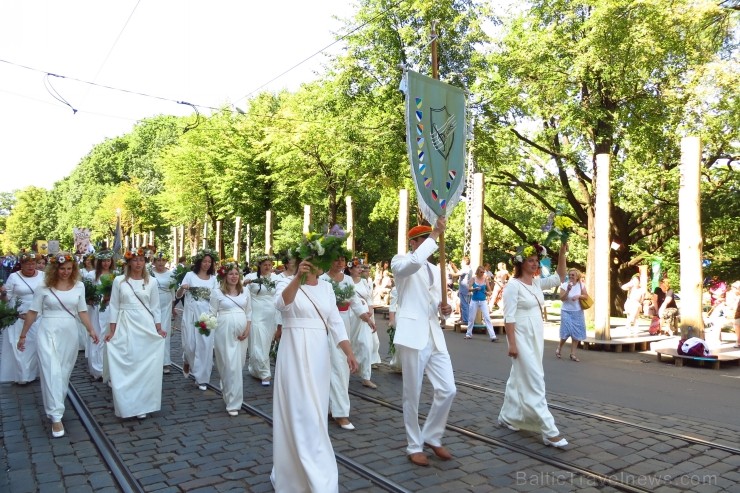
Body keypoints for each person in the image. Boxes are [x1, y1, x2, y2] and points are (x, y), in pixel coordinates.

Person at [270, 257, 358, 492]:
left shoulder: (328, 287)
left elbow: (335, 321)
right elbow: (281, 305)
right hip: (294, 350)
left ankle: (315, 469)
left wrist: (348, 351)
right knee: (299, 410)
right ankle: (293, 474)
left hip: (319, 353)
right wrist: (297, 277)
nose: (318, 265)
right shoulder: (286, 282)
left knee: (316, 411)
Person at [391, 217, 456, 467]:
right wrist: (434, 235)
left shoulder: (436, 269)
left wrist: (446, 310)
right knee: (412, 394)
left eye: (433, 238)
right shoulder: (401, 261)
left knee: (448, 388)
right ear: (415, 242)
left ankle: (432, 435)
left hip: (434, 335)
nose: (434, 243)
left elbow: (439, 306)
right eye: (427, 238)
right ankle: (413, 445)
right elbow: (415, 262)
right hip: (412, 333)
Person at [17, 252, 99, 438]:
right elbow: (33, 312)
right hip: (47, 331)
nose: (65, 272)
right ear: (55, 268)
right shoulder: (43, 287)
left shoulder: (79, 286)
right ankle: (56, 417)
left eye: (69, 269)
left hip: (69, 333)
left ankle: (55, 405)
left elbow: (83, 311)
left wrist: (91, 330)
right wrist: (22, 336)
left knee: (62, 373)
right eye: (62, 268)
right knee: (50, 371)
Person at [498, 241, 568, 448]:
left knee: (518, 377)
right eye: (530, 260)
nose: (535, 264)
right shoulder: (512, 286)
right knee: (535, 379)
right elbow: (508, 318)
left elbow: (559, 277)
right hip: (520, 334)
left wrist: (562, 253)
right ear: (521, 262)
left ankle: (507, 416)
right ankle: (549, 431)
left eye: (537, 261)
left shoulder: (536, 283)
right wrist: (512, 344)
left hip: (536, 334)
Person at [104, 248, 166, 419]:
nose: (138, 263)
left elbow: (155, 307)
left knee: (143, 364)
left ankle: (142, 405)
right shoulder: (119, 281)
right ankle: (127, 403)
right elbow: (114, 306)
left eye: (141, 260)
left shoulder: (152, 281)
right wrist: (112, 330)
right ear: (129, 262)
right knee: (128, 362)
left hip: (145, 325)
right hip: (125, 323)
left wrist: (158, 328)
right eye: (135, 260)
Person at [321, 254, 375, 430]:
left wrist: (367, 318)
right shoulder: (321, 279)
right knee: (324, 367)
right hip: (323, 326)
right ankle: (331, 409)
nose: (339, 263)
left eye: (342, 260)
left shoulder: (348, 280)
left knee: (340, 367)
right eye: (336, 259)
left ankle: (339, 411)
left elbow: (355, 303)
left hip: (342, 324)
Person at [210, 260, 250, 416]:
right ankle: (233, 403)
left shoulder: (245, 291)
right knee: (228, 365)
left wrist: (247, 329)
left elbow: (249, 312)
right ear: (224, 276)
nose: (234, 276)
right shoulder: (217, 292)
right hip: (223, 331)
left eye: (236, 274)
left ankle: (228, 387)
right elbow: (212, 314)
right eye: (230, 274)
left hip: (242, 333)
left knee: (238, 366)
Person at [176, 249, 219, 390]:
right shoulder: (189, 275)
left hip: (206, 316)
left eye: (209, 262)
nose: (207, 264)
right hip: (191, 314)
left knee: (205, 346)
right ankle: (187, 359)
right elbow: (178, 295)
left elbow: (217, 297)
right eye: (204, 261)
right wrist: (183, 288)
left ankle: (201, 378)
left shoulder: (214, 278)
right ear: (199, 262)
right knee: (189, 345)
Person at [0, 251, 42, 385]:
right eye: (27, 264)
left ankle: (34, 372)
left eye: (33, 263)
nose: (30, 267)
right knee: (20, 346)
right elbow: (7, 299)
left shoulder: (44, 276)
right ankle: (23, 375)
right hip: (19, 316)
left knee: (35, 345)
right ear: (21, 265)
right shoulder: (13, 277)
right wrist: (3, 293)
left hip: (38, 316)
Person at [245, 255, 281, 386]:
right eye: (265, 264)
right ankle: (265, 373)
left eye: (269, 265)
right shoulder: (250, 277)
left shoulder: (276, 278)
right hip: (256, 313)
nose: (267, 267)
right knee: (257, 341)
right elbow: (243, 293)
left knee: (266, 343)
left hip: (271, 315)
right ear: (259, 265)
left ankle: (255, 369)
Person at [84, 249, 115, 380]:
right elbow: (86, 294)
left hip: (110, 309)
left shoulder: (116, 275)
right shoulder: (92, 276)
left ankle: (109, 367)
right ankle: (97, 368)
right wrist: (91, 299)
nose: (106, 264)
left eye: (108, 261)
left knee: (109, 336)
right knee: (97, 334)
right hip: (96, 308)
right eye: (103, 261)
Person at [346, 258, 377, 388]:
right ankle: (345, 373)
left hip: (364, 317)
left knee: (366, 345)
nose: (360, 270)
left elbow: (369, 298)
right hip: (350, 316)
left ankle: (366, 376)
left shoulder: (364, 282)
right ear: (350, 269)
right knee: (348, 344)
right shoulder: (345, 281)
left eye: (361, 268)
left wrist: (370, 311)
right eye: (357, 268)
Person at [150, 251, 176, 374]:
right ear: (154, 262)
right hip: (151, 305)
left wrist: (173, 307)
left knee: (165, 331)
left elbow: (172, 291)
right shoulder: (149, 273)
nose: (160, 263)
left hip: (166, 305)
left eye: (163, 260)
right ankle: (152, 360)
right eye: (158, 260)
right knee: (152, 331)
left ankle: (165, 362)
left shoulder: (170, 274)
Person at [557, 268, 588, 362]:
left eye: (573, 275)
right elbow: (562, 298)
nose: (570, 276)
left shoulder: (581, 285)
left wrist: (579, 296)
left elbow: (586, 296)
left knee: (576, 332)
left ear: (577, 276)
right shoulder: (564, 285)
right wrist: (568, 290)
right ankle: (559, 347)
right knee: (566, 331)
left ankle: (573, 354)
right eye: (569, 275)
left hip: (577, 311)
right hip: (566, 311)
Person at [465, 266, 498, 342]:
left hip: (483, 300)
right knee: (471, 317)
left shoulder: (485, 279)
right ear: (478, 272)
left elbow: (490, 291)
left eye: (483, 272)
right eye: (481, 272)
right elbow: (468, 288)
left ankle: (493, 336)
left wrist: (487, 293)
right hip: (474, 300)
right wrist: (474, 289)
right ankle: (468, 334)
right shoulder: (473, 278)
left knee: (487, 317)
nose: (482, 273)